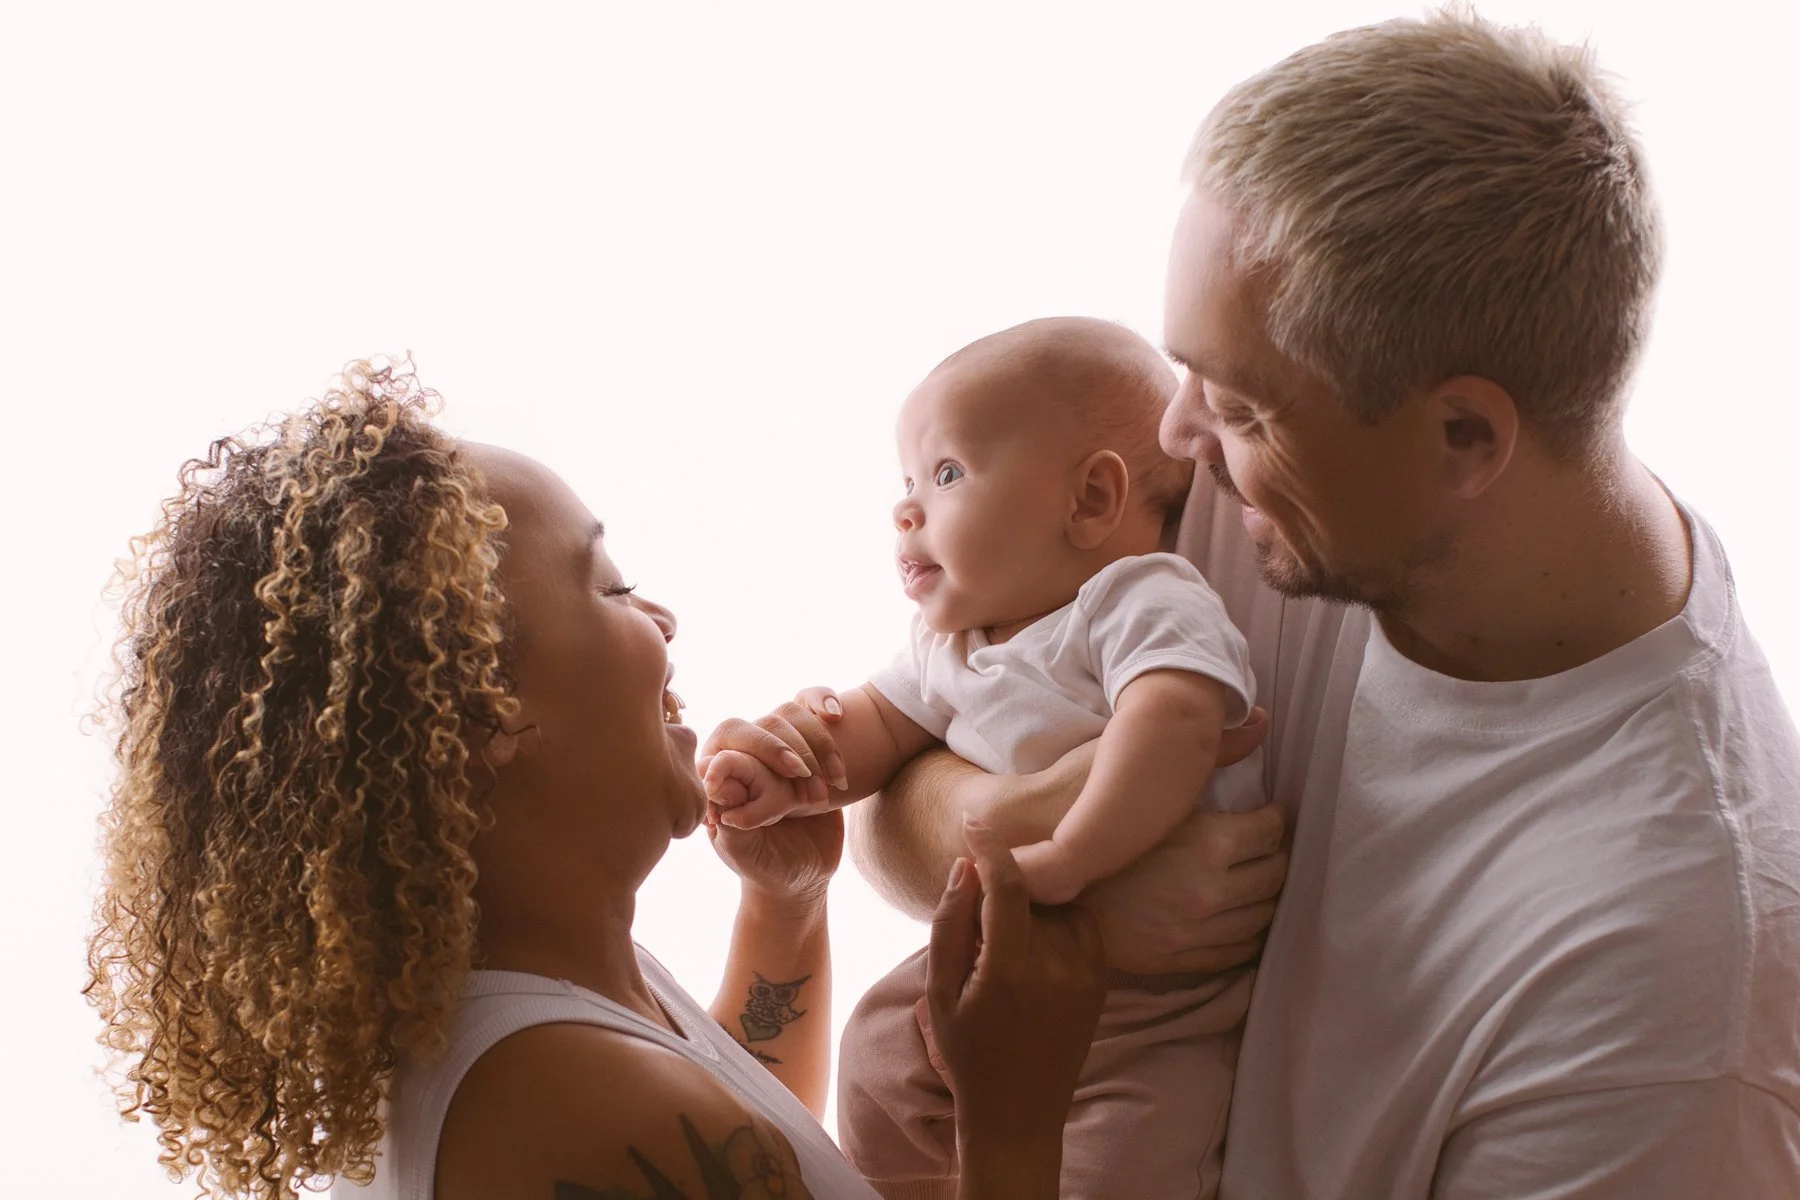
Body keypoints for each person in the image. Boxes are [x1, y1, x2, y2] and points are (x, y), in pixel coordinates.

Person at [847, 11, 1800, 1197]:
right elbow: (887, 792)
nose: (1177, 435)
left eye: (1241, 407)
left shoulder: (1663, 1033)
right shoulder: (1279, 497)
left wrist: (1047, 878)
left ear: (1463, 435)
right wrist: (1053, 844)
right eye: (1183, 365)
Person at [83, 360, 1108, 1200]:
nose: (662, 621)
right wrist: (1010, 1125)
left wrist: (784, 907)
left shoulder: (557, 1010)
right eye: (610, 587)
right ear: (485, 711)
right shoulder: (570, 1108)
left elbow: (752, 1148)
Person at [703, 316, 1264, 1197]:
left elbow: (1176, 725)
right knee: (875, 1058)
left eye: (948, 472)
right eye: (906, 480)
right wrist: (795, 764)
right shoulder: (950, 643)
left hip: (1153, 1010)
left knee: (1120, 1163)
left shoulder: (1139, 599)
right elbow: (878, 727)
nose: (905, 506)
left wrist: (1070, 859)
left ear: (1089, 500)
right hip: (985, 961)